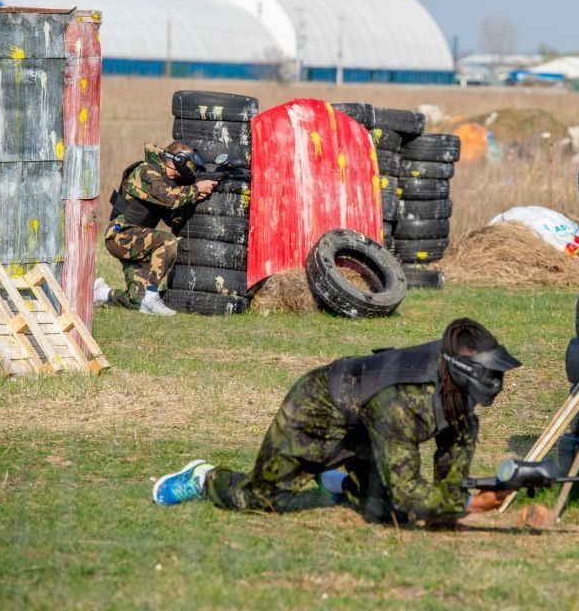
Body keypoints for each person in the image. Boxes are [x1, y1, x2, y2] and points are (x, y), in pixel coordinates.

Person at [152, 318, 522, 525]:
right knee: (262, 499)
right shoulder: (404, 402)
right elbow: (410, 488)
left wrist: (456, 508)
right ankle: (202, 478)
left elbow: (448, 478)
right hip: (320, 409)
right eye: (491, 379)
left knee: (387, 514)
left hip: (365, 425)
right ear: (463, 375)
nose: (497, 387)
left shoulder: (457, 405)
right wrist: (473, 505)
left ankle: (333, 478)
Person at [93, 142, 217, 316]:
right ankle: (152, 296)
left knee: (138, 301)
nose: (191, 169)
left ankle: (102, 293)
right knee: (167, 241)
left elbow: (174, 219)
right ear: (176, 161)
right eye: (189, 164)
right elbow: (167, 197)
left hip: (141, 241)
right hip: (121, 235)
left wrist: (193, 199)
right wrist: (195, 189)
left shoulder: (171, 184)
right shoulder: (146, 172)